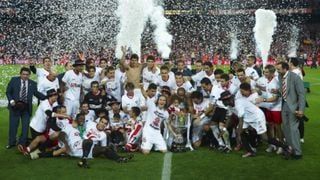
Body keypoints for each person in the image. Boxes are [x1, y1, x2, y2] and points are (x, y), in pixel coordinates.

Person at [6, 67, 46, 148]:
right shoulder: (14, 80)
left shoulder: (33, 83)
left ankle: (22, 143)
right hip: (15, 107)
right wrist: (11, 101)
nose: (25, 76)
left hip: (26, 108)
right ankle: (12, 143)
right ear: (20, 74)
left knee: (25, 127)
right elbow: (8, 92)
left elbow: (37, 94)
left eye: (27, 75)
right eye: (23, 74)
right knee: (13, 126)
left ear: (29, 75)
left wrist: (48, 97)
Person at [276, 61, 306, 159]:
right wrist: (277, 92)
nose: (277, 71)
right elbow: (283, 92)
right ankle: (290, 149)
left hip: (294, 107)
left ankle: (298, 152)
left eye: (279, 69)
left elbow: (301, 94)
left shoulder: (295, 77)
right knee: (286, 128)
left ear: (285, 69)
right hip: (284, 105)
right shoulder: (280, 77)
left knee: (293, 130)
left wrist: (301, 109)